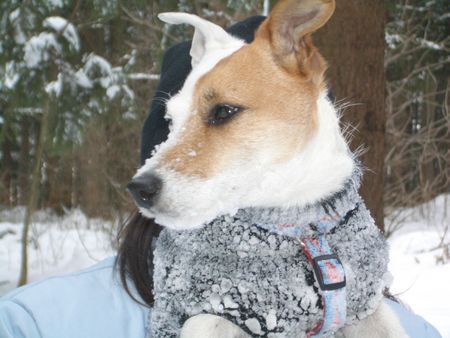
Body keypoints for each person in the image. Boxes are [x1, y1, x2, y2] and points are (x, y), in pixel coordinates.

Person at [0, 16, 442, 338]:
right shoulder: (35, 323)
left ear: (310, 126)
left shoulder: (386, 318)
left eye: (222, 113)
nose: (179, 152)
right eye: (174, 128)